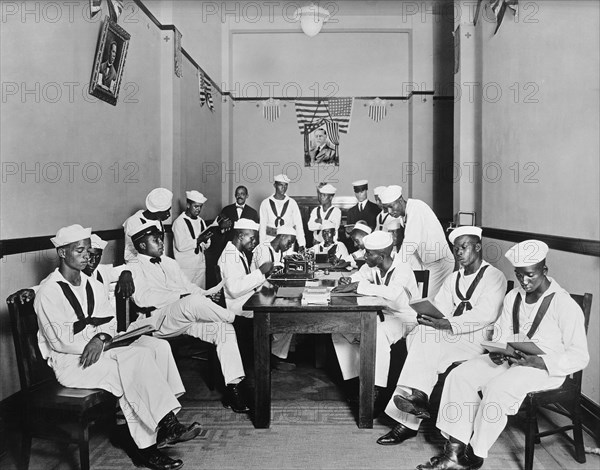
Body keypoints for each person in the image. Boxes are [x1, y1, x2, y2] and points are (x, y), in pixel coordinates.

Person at [34, 224, 200, 470]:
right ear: (62, 253)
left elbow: (109, 324)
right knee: (134, 364)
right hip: (72, 363)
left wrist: (100, 339)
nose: (87, 256)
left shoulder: (91, 284)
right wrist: (95, 343)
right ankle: (151, 444)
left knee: (154, 346)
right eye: (79, 251)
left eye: (88, 251)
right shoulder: (49, 291)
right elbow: (59, 341)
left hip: (99, 351)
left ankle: (161, 427)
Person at [418, 240, 590, 470]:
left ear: (544, 271)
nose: (524, 281)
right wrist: (499, 350)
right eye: (519, 275)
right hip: (513, 360)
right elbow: (501, 333)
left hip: (545, 369)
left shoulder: (564, 304)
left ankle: (473, 455)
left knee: (498, 388)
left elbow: (580, 355)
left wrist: (541, 362)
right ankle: (455, 449)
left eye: (530, 275)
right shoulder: (513, 297)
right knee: (460, 375)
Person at [377, 226, 506, 446]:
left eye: (463, 247)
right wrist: (428, 316)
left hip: (478, 338)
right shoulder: (453, 278)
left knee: (424, 343)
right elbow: (441, 307)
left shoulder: (494, 276)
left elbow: (486, 314)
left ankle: (408, 421)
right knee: (423, 332)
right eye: (455, 249)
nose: (458, 253)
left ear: (477, 247)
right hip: (453, 335)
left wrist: (447, 323)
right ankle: (418, 397)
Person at [126, 219, 250, 413]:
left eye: (161, 238)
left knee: (223, 329)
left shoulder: (169, 263)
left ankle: (233, 390)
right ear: (142, 245)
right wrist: (180, 296)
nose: (161, 243)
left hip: (184, 318)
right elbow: (142, 299)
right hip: (158, 321)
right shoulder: (132, 268)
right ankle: (240, 320)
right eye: (155, 240)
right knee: (191, 302)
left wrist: (207, 293)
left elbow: (189, 286)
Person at [331, 231, 420, 410]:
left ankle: (375, 392)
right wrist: (348, 280)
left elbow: (393, 294)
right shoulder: (373, 267)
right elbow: (358, 277)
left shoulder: (403, 268)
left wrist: (358, 285)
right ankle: (356, 383)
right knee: (339, 328)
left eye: (368, 254)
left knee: (377, 333)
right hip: (382, 316)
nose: (364, 256)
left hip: (406, 318)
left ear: (381, 256)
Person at [218, 220, 295, 370]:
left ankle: (271, 355)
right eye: (251, 238)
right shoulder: (228, 256)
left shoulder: (237, 252)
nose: (254, 242)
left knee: (282, 305)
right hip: (237, 306)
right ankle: (268, 359)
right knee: (283, 314)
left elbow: (243, 281)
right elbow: (234, 289)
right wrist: (261, 272)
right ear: (240, 236)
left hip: (245, 299)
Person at [379, 185, 454, 296]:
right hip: (427, 263)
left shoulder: (416, 208)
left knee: (424, 301)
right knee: (414, 296)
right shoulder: (403, 217)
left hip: (440, 262)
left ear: (400, 200)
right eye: (386, 208)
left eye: (391, 206)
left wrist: (394, 264)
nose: (389, 211)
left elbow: (411, 242)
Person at [172, 190, 211, 289]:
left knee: (200, 292)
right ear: (188, 205)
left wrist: (206, 240)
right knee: (186, 293)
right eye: (196, 206)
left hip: (200, 265)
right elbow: (180, 246)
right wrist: (198, 240)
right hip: (186, 267)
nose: (198, 209)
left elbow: (206, 245)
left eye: (200, 207)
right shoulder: (179, 222)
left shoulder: (201, 221)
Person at [123, 188, 172, 262]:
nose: (169, 215)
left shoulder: (158, 221)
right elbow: (129, 253)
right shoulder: (133, 222)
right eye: (166, 211)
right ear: (155, 211)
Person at [259, 174, 306, 249]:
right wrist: (262, 245)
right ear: (275, 185)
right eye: (280, 185)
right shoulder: (266, 203)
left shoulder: (292, 203)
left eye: (286, 185)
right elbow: (262, 226)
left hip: (287, 241)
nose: (283, 188)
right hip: (270, 240)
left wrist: (302, 244)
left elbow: (298, 225)